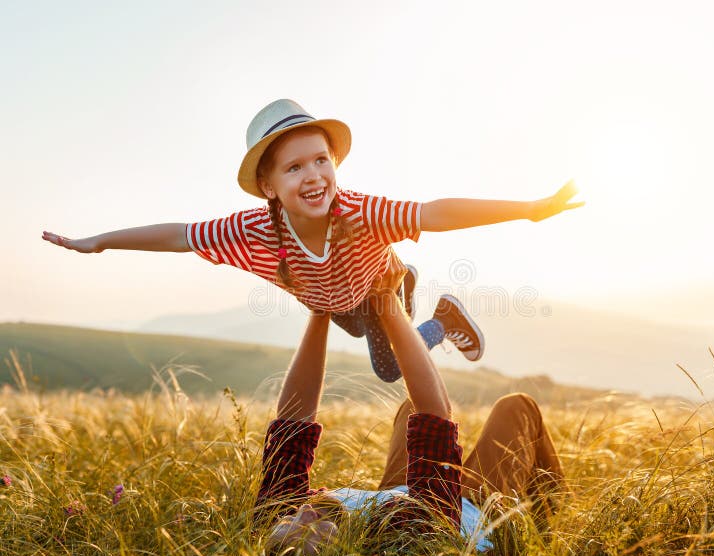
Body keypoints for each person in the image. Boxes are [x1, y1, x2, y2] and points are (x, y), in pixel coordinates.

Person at [42, 99, 583, 382]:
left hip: (372, 286)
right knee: (346, 319)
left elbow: (434, 212)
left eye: (322, 159)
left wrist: (529, 210)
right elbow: (179, 236)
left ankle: (444, 314)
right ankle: (407, 283)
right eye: (295, 166)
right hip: (332, 300)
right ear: (268, 186)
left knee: (390, 366)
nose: (314, 175)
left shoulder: (359, 211)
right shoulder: (250, 230)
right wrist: (102, 242)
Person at [256, 291, 565, 556]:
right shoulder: (406, 536)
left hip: (398, 491)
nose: (303, 513)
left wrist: (319, 310)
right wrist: (387, 298)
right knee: (516, 407)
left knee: (409, 408)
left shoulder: (279, 513)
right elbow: (436, 416)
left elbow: (294, 421)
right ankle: (555, 529)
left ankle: (433, 322)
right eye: (309, 530)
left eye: (290, 524)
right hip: (474, 509)